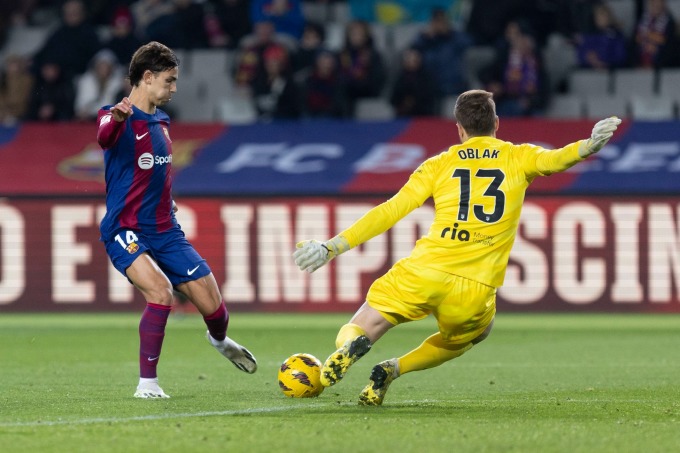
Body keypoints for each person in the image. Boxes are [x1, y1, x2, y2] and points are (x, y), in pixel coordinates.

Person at [293, 89, 621, 406]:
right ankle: (394, 369)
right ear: (496, 124)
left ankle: (351, 345)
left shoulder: (440, 163)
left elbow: (390, 210)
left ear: (460, 129)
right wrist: (588, 146)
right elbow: (556, 160)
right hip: (474, 288)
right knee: (475, 334)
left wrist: (332, 247)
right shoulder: (519, 156)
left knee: (367, 322)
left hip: (424, 271)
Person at [96, 41, 257, 399]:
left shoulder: (162, 121)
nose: (174, 88)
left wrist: (167, 203)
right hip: (125, 228)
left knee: (213, 304)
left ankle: (218, 341)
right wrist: (118, 118)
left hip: (165, 229)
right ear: (148, 77)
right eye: (169, 80)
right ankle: (147, 384)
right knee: (160, 292)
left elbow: (156, 173)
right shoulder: (114, 115)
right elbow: (104, 133)